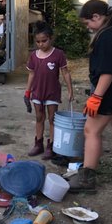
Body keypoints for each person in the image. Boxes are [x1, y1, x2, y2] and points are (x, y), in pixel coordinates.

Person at [69, 0, 112, 192]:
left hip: (111, 90)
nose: (89, 28)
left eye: (88, 23)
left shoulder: (107, 36)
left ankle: (87, 179)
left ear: (97, 17)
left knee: (91, 131)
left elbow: (108, 71)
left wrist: (96, 96)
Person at [25, 21, 73, 160]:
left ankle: (51, 146)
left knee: (52, 119)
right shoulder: (34, 56)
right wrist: (27, 92)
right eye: (38, 42)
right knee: (39, 117)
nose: (41, 44)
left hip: (52, 92)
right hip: (37, 92)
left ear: (50, 39)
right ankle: (38, 143)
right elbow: (31, 74)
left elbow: (65, 72)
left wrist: (70, 90)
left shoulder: (58, 54)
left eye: (44, 41)